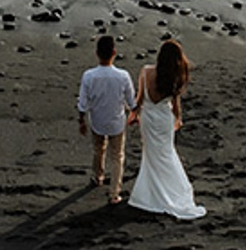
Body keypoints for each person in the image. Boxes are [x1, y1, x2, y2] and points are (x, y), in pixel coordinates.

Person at [127, 38, 206, 219]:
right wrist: (178, 119)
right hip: (164, 119)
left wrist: (133, 114)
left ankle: (149, 192)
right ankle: (169, 188)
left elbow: (139, 99)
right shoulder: (174, 76)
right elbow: (175, 104)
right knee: (166, 152)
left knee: (150, 153)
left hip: (148, 118)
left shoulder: (146, 71)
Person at [77, 34, 136, 204]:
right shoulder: (123, 75)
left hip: (97, 120)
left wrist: (81, 121)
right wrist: (135, 113)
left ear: (97, 53)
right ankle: (114, 193)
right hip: (117, 122)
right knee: (117, 157)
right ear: (114, 53)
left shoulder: (89, 76)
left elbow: (83, 103)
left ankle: (98, 176)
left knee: (98, 149)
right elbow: (131, 101)